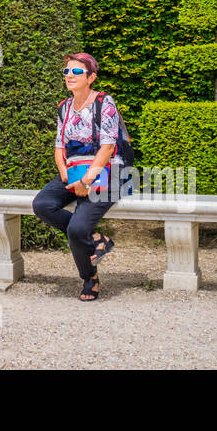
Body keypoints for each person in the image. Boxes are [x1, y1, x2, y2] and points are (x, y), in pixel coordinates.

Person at [31, 52, 129, 301]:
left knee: (76, 229)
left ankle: (90, 278)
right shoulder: (64, 106)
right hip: (75, 170)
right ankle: (96, 238)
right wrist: (64, 173)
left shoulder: (105, 102)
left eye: (76, 72)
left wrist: (87, 181)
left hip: (108, 172)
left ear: (91, 77)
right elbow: (59, 146)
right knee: (42, 204)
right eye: (67, 72)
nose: (69, 76)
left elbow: (107, 147)